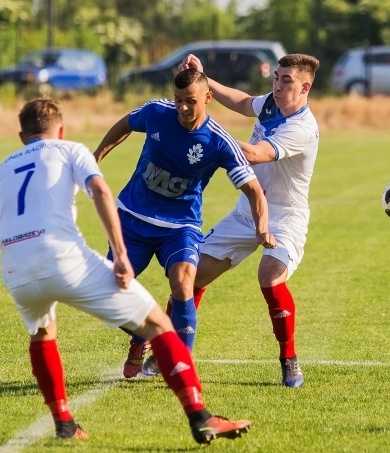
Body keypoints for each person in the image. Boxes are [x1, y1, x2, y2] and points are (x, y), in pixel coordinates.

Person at [0, 98, 252, 444]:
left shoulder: (2, 170)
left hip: (17, 272)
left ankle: (64, 422)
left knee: (43, 334)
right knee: (158, 324)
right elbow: (102, 191)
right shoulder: (70, 149)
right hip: (64, 260)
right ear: (61, 130)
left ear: (21, 136)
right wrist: (120, 255)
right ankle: (200, 416)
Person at [94, 68, 275, 379]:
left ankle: (181, 364)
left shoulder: (219, 142)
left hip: (180, 225)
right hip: (132, 217)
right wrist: (96, 156)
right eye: (178, 100)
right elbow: (125, 123)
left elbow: (254, 190)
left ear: (207, 98)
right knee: (112, 292)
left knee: (183, 282)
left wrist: (262, 228)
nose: (183, 108)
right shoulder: (156, 112)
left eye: (190, 101)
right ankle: (142, 338)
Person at [176, 53, 321, 388]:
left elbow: (256, 153)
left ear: (305, 87)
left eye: (287, 81)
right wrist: (203, 78)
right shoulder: (271, 102)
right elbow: (242, 101)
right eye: (277, 78)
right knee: (191, 276)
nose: (278, 85)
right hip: (246, 212)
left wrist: (204, 129)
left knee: (269, 277)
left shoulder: (302, 127)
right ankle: (175, 350)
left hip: (286, 218)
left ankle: (289, 359)